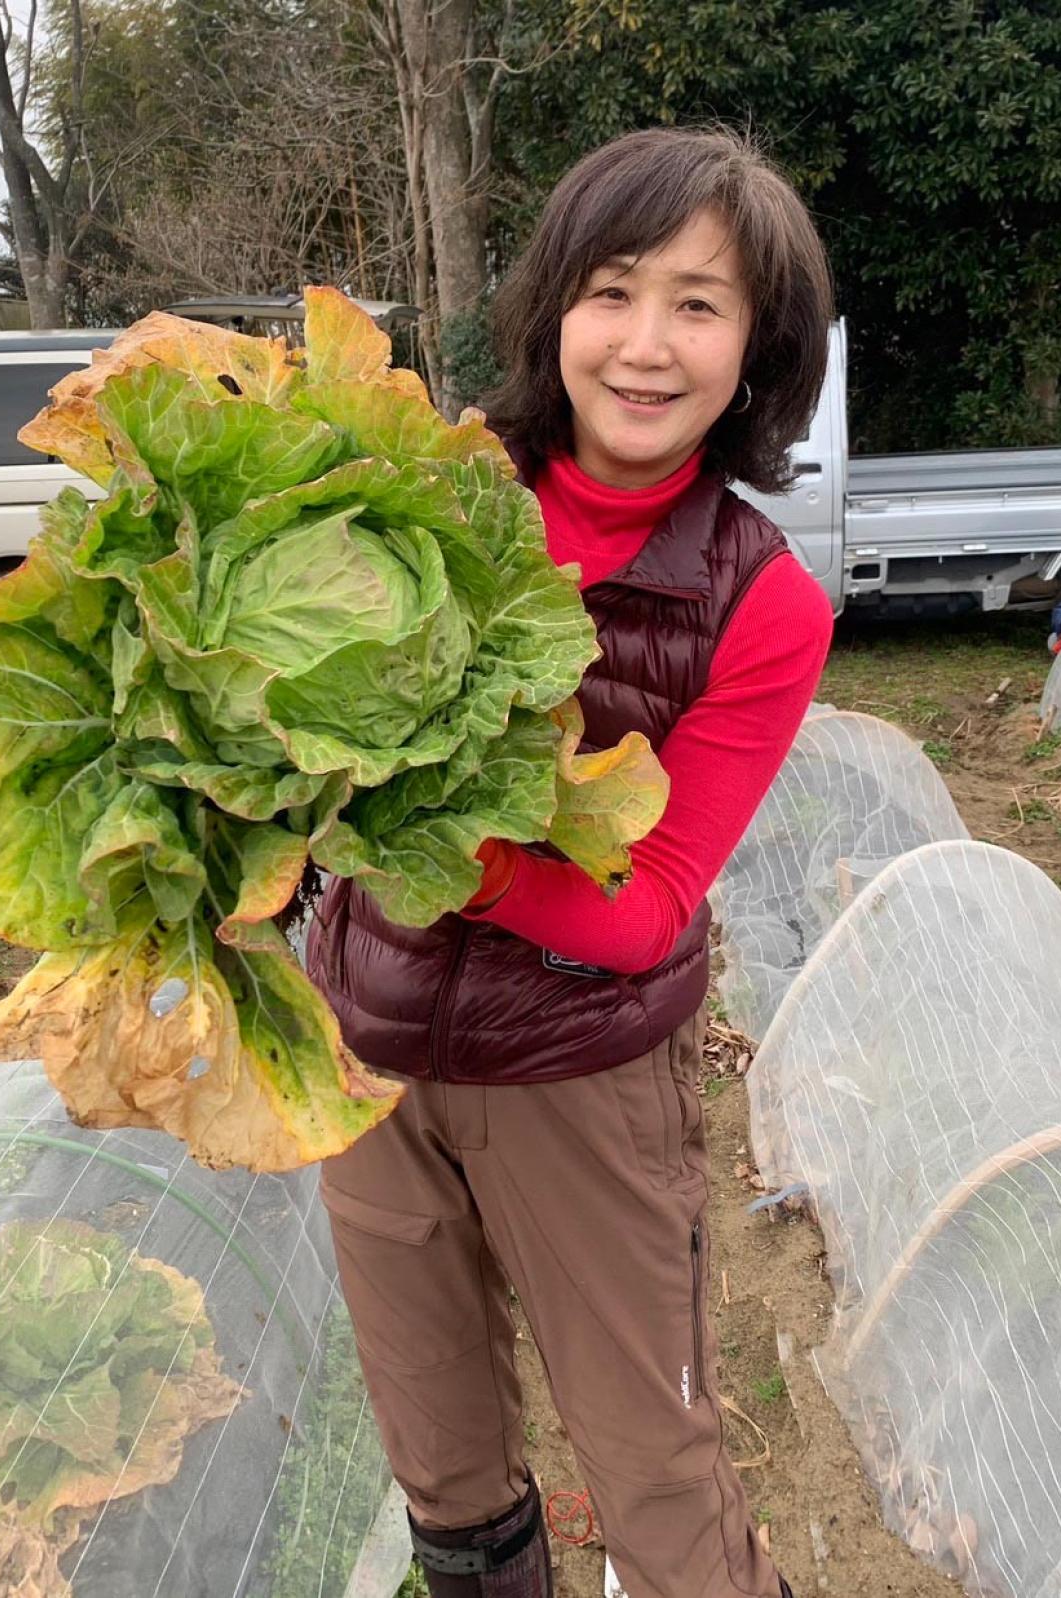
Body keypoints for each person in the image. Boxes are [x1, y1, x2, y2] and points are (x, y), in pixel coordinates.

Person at [308, 123, 835, 1598]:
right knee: (443, 1461)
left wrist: (429, 846)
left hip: (583, 1080)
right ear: (554, 309)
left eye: (699, 303)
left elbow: (649, 905)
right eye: (613, 290)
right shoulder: (422, 493)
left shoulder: (763, 604)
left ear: (757, 348)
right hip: (368, 1060)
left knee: (655, 1468)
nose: (646, 344)